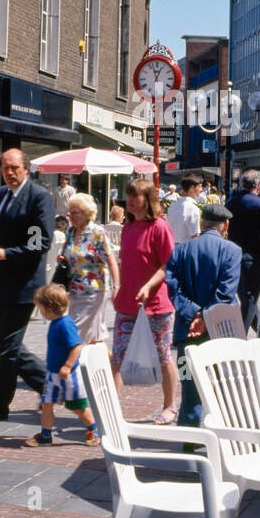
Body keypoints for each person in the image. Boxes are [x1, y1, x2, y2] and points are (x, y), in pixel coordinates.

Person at [0, 149, 53, 422]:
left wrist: (6, 253)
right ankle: (51, 386)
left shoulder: (38, 197)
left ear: (26, 169)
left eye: (14, 168)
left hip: (24, 284)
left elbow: (40, 242)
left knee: (7, 346)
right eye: (5, 168)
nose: (9, 173)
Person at [164, 203, 243, 427]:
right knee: (222, 388)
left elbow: (173, 288)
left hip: (185, 331)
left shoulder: (180, 250)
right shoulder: (232, 250)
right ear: (225, 225)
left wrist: (193, 313)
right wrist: (205, 317)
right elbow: (226, 293)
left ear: (202, 223)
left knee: (189, 389)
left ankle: (189, 445)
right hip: (219, 331)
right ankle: (224, 441)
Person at [110, 177, 181, 424]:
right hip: (126, 303)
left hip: (156, 305)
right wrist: (117, 287)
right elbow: (124, 262)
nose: (129, 200)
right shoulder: (128, 226)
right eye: (128, 195)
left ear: (148, 200)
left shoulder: (160, 227)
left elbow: (168, 264)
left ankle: (170, 405)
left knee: (163, 356)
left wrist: (149, 286)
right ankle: (110, 410)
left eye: (135, 196)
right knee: (117, 356)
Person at [25, 284, 98, 448]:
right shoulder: (56, 321)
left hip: (68, 376)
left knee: (77, 407)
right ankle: (45, 434)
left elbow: (77, 346)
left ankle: (94, 428)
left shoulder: (65, 324)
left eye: (41, 309)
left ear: (50, 308)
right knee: (46, 404)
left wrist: (68, 365)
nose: (42, 313)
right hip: (53, 374)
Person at [227, 169, 260, 348]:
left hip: (232, 257)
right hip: (251, 257)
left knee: (246, 296)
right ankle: (239, 339)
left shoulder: (231, 202)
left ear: (242, 184)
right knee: (249, 298)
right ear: (258, 184)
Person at [62, 193, 118, 343]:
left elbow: (111, 261)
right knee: (94, 338)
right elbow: (67, 255)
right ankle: (114, 365)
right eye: (69, 212)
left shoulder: (97, 232)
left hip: (94, 291)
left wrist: (116, 287)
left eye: (75, 213)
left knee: (76, 335)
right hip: (74, 291)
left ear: (86, 214)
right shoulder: (70, 232)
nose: (70, 215)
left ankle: (69, 365)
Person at [167, 174, 203, 244]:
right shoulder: (192, 208)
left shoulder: (173, 205)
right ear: (192, 187)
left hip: (171, 245)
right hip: (185, 248)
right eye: (200, 187)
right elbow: (195, 235)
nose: (201, 190)